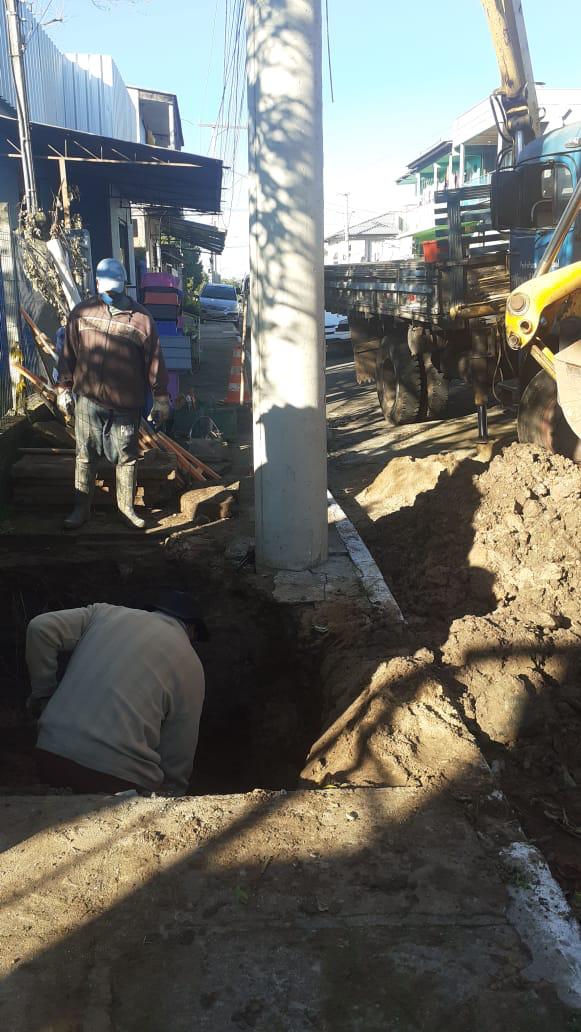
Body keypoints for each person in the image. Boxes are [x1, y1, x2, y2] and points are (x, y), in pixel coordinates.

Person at [25, 590, 207, 795]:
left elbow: (40, 628)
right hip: (118, 779)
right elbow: (179, 743)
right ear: (192, 630)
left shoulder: (104, 613)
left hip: (50, 757)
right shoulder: (191, 664)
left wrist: (44, 695)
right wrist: (173, 792)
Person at [56, 257, 171, 531]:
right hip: (88, 400)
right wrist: (63, 387)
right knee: (85, 455)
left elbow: (154, 359)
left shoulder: (142, 320)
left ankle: (126, 509)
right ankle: (80, 510)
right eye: (107, 290)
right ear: (97, 284)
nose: (112, 295)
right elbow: (68, 354)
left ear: (124, 286)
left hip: (125, 403)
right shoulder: (81, 314)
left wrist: (161, 397)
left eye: (117, 290)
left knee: (126, 457)